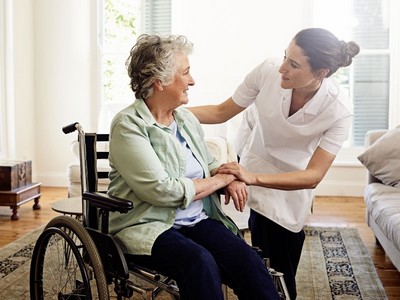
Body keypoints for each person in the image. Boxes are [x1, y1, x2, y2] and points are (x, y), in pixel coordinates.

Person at [188, 28, 360, 299]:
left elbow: (313, 175)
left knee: (280, 273)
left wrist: (251, 177)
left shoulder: (338, 110)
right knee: (248, 264)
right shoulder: (268, 71)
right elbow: (221, 112)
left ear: (321, 73)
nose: (282, 68)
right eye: (284, 57)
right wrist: (170, 110)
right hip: (253, 166)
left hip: (290, 187)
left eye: (293, 64)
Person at [106, 34, 279, 300]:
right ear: (159, 82)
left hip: (196, 220)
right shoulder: (129, 125)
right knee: (199, 262)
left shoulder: (185, 119)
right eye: (185, 73)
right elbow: (163, 191)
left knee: (250, 266)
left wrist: (229, 176)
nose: (192, 80)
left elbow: (208, 164)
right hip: (147, 226)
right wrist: (222, 180)